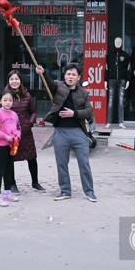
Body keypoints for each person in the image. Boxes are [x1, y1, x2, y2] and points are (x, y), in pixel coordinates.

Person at [35, 63, 97, 202]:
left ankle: (89, 191)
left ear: (78, 77)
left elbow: (89, 112)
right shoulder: (58, 86)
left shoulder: (83, 93)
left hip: (79, 133)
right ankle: (65, 191)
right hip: (60, 132)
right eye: (68, 74)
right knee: (61, 163)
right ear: (65, 76)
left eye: (73, 74)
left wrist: (73, 113)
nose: (70, 77)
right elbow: (49, 84)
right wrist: (43, 73)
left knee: (84, 162)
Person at [5, 70, 45, 194]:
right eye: (12, 79)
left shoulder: (27, 95)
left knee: (32, 157)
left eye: (16, 79)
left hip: (26, 132)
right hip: (11, 134)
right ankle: (12, 184)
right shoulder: (5, 95)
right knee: (10, 159)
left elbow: (33, 111)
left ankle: (35, 182)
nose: (14, 81)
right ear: (8, 81)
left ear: (20, 80)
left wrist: (30, 123)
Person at [0, 89, 21, 207]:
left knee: (9, 170)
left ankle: (7, 193)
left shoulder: (14, 114)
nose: (8, 102)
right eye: (5, 100)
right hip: (2, 146)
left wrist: (17, 136)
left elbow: (18, 128)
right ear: (0, 101)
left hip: (12, 146)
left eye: (10, 100)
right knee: (0, 170)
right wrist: (6, 137)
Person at [105, 37, 130, 129]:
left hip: (122, 80)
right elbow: (106, 68)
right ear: (114, 42)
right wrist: (105, 80)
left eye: (120, 41)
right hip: (111, 80)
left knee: (120, 101)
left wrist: (128, 80)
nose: (118, 43)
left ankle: (121, 122)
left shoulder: (125, 55)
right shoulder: (110, 55)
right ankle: (108, 122)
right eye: (116, 41)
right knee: (111, 101)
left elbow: (128, 69)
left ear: (122, 42)